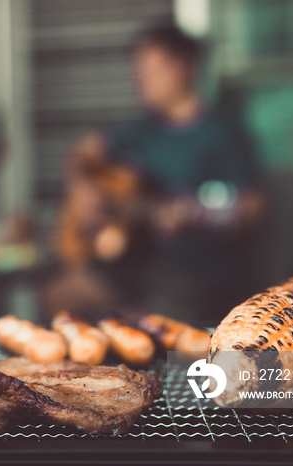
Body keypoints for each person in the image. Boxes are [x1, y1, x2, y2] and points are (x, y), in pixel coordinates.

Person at [48, 24, 264, 322]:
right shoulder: (142, 128)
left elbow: (252, 209)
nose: (140, 79)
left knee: (157, 317)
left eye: (152, 68)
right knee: (59, 294)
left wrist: (197, 213)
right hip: (139, 261)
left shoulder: (221, 131)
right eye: (137, 69)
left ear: (186, 66)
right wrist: (84, 191)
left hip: (197, 268)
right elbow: (80, 152)